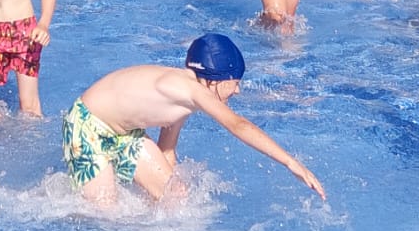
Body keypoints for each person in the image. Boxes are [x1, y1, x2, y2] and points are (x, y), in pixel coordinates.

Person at [61, 35, 325, 205]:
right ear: (215, 79)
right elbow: (238, 125)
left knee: (175, 196)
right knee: (105, 215)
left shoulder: (186, 98)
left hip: (123, 133)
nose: (237, 90)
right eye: (234, 83)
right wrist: (291, 163)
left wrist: (164, 189)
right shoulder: (188, 90)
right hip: (86, 126)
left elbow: (168, 149)